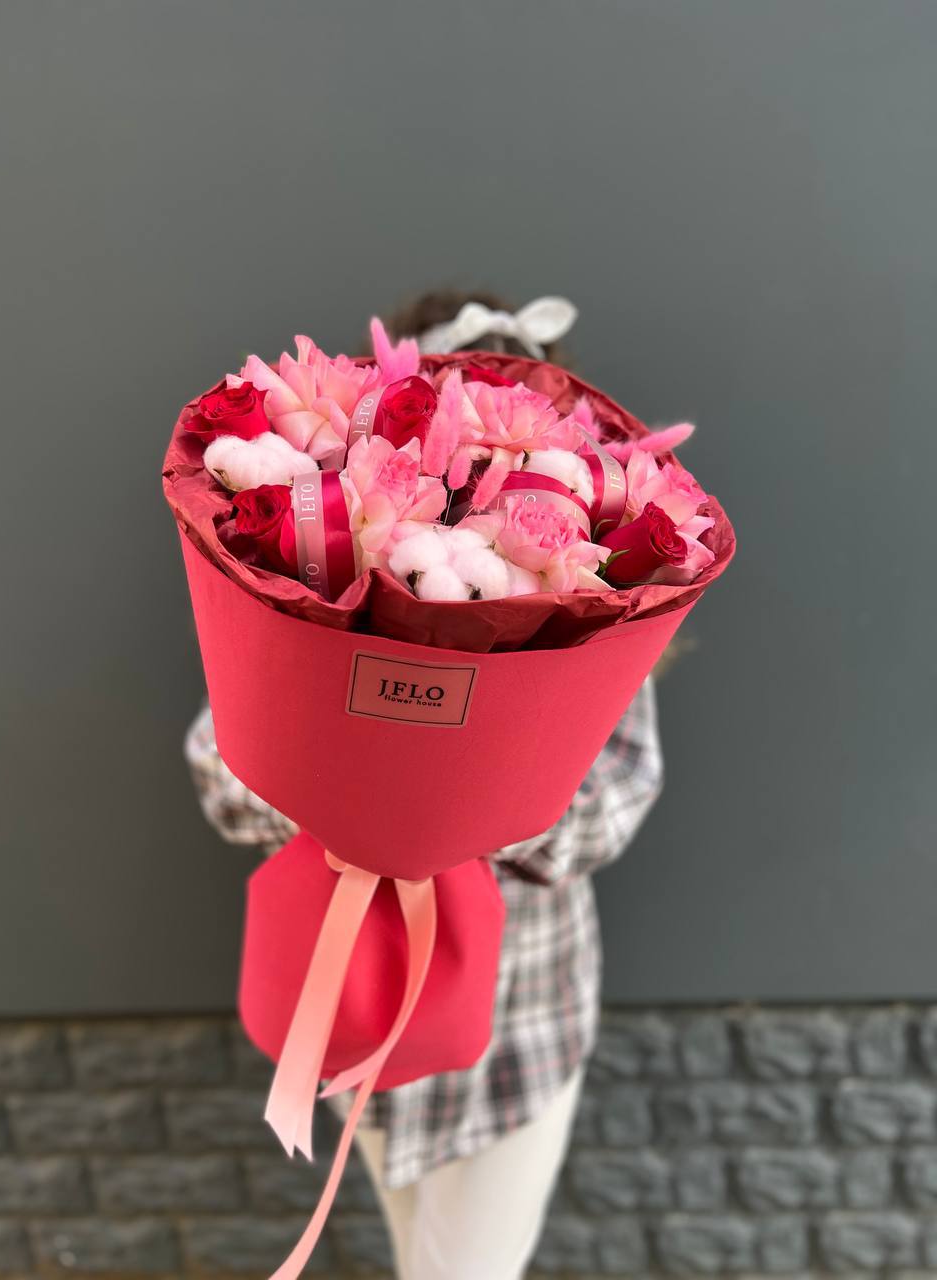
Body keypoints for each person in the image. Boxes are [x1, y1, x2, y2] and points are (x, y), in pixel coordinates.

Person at [185, 290, 665, 1280]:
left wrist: (470, 805)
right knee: (419, 1256)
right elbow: (219, 765)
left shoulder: (600, 611)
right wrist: (353, 797)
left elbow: (619, 797)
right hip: (348, 991)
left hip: (520, 1027)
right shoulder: (316, 580)